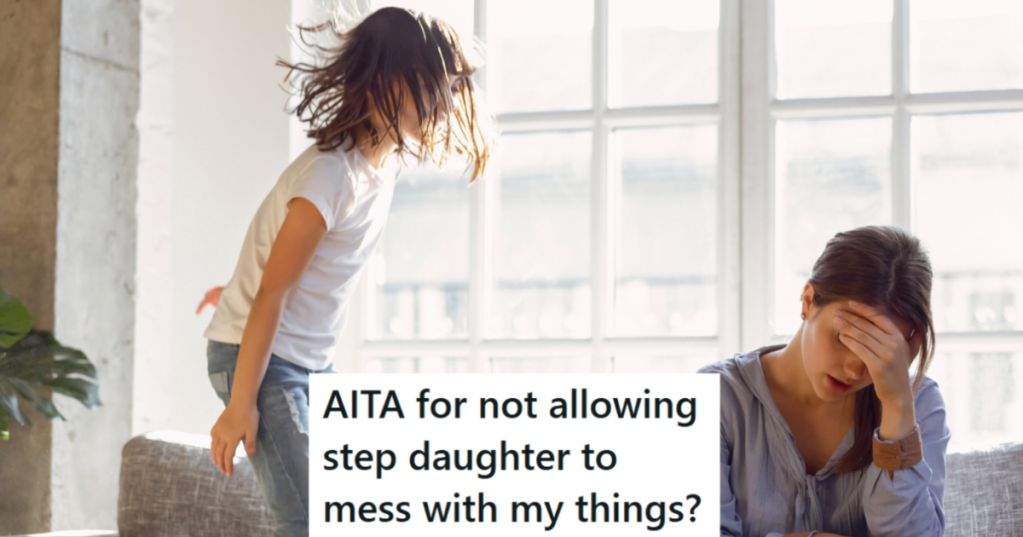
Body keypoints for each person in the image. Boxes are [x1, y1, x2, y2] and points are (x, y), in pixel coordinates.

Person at [193, 7, 495, 536]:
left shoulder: (380, 166)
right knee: (311, 519)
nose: (445, 104)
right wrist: (240, 405)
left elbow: (294, 270)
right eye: (431, 88)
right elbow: (273, 293)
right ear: (382, 84)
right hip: (262, 361)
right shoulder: (330, 177)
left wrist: (235, 289)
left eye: (449, 88)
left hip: (306, 361)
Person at [699, 226, 950, 537]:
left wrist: (898, 408)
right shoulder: (713, 398)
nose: (855, 370)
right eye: (845, 339)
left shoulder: (918, 404)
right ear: (807, 302)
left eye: (878, 351)